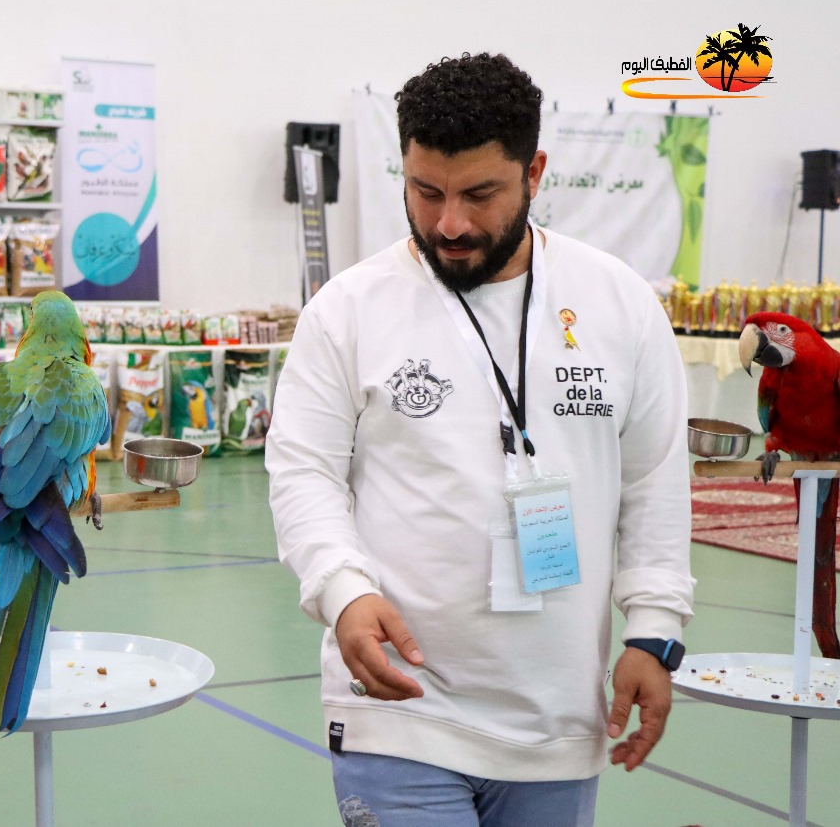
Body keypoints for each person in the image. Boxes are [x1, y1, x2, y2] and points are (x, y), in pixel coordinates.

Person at [266, 53, 694, 827]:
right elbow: (304, 471)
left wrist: (655, 629)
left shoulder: (620, 304)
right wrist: (342, 588)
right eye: (425, 191)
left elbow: (653, 478)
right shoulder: (347, 310)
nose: (450, 224)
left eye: (479, 194)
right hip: (398, 709)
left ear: (535, 172)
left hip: (556, 722)